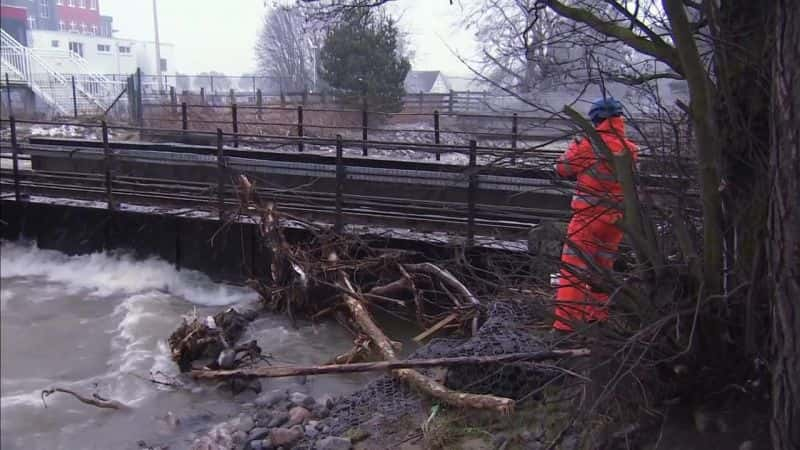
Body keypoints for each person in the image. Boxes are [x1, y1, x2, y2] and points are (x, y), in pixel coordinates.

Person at [552, 97, 638, 331]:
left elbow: (562, 169)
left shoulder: (588, 144)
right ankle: (597, 316)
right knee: (603, 268)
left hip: (587, 219)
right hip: (616, 221)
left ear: (595, 119)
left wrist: (574, 147)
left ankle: (566, 324)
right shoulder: (629, 148)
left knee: (574, 269)